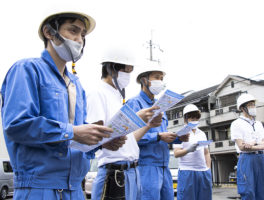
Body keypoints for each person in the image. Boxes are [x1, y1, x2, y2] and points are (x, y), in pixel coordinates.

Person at [1, 11, 114, 200]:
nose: (79, 40)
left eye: (83, 35)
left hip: (74, 189)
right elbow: (16, 125)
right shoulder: (27, 69)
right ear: (49, 32)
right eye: (73, 31)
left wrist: (99, 142)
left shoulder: (76, 85)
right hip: (38, 188)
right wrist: (74, 132)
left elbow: (75, 139)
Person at [86, 48, 162, 200]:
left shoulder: (117, 96)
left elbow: (130, 138)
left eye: (130, 71)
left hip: (132, 171)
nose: (128, 75)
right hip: (114, 172)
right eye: (125, 71)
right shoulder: (97, 93)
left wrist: (147, 124)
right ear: (110, 67)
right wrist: (133, 118)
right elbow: (94, 136)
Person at [126, 62, 189, 200]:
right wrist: (158, 136)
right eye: (156, 77)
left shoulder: (161, 106)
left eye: (161, 78)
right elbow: (129, 138)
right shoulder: (134, 103)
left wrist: (178, 138)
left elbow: (162, 134)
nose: (160, 81)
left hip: (164, 165)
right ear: (144, 80)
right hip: (146, 166)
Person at [230, 93, 264, 200]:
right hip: (246, 159)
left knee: (263, 191)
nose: (253, 107)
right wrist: (261, 145)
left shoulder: (258, 123)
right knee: (248, 191)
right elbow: (242, 146)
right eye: (250, 105)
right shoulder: (236, 123)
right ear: (242, 108)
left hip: (259, 158)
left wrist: (253, 143)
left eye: (253, 104)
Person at [173, 104, 212, 200]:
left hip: (203, 171)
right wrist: (188, 150)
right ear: (185, 119)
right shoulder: (180, 133)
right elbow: (176, 153)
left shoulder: (202, 133)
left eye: (196, 117)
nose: (194, 120)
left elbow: (206, 152)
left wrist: (208, 169)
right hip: (187, 171)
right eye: (191, 117)